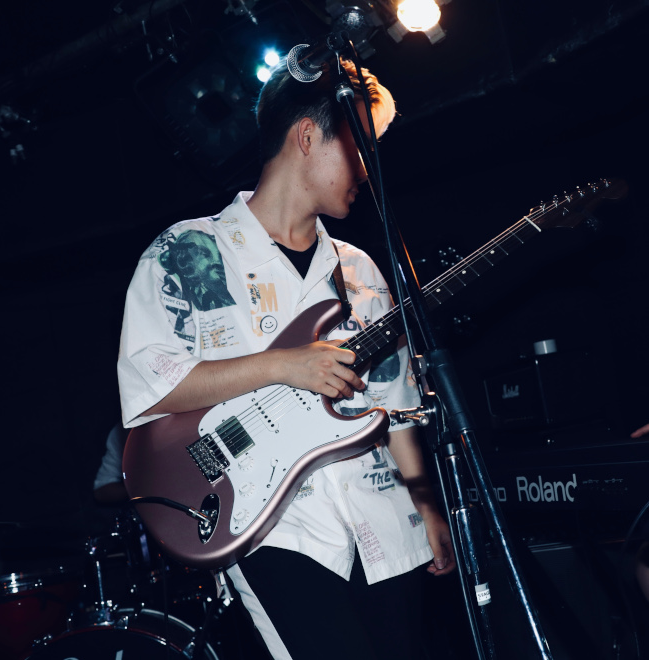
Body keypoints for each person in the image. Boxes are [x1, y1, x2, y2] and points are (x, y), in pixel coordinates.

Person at [118, 57, 454, 660]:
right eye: (362, 147)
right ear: (306, 136)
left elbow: (396, 402)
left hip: (385, 519)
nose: (370, 169)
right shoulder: (187, 252)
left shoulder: (359, 269)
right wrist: (284, 366)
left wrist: (425, 503)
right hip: (273, 526)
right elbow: (151, 385)